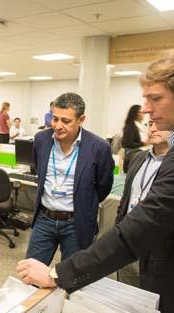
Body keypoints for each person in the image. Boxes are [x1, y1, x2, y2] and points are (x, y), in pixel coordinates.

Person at [17, 51, 174, 313]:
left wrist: (59, 273)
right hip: (48, 219)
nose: (145, 109)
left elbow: (141, 225)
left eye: (155, 98)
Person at [25, 92, 114, 265]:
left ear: (81, 120)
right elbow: (39, 171)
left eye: (65, 121)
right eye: (55, 118)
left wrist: (85, 201)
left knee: (73, 279)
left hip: (77, 222)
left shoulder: (99, 147)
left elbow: (103, 186)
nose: (58, 126)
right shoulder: (41, 139)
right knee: (30, 275)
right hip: (44, 218)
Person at [115, 120, 171, 287]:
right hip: (127, 241)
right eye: (150, 124)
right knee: (124, 295)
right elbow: (125, 200)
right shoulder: (138, 158)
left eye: (160, 124)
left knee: (151, 302)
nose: (153, 129)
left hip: (155, 250)